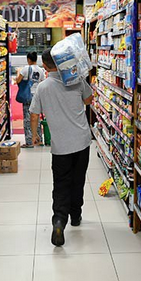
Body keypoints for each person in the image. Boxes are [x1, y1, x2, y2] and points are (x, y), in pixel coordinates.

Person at [29, 48, 93, 246]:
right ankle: (76, 215)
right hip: (81, 141)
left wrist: (35, 135)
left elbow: (34, 114)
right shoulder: (76, 80)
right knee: (78, 180)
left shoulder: (43, 87)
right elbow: (89, 100)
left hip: (60, 146)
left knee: (61, 183)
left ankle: (59, 220)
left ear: (45, 66)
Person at [15, 51, 45, 148]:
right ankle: (39, 140)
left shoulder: (26, 69)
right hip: (37, 96)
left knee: (28, 119)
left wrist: (18, 72)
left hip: (28, 96)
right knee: (37, 118)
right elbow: (43, 83)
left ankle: (29, 142)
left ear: (28, 59)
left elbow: (18, 80)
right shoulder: (41, 70)